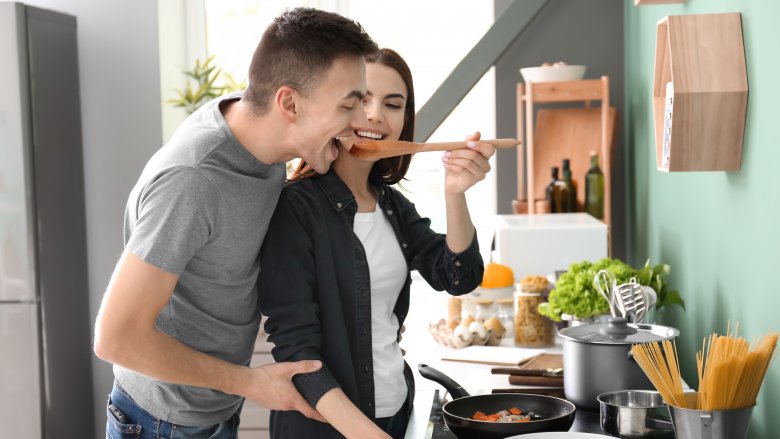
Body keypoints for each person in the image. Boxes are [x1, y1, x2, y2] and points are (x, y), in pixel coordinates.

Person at [93, 8, 378, 438]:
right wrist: (251, 383)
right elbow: (116, 338)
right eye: (348, 105)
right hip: (161, 423)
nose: (360, 122)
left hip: (211, 410)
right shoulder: (194, 181)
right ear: (289, 103)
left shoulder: (261, 135)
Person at [257, 48, 494, 439]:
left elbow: (459, 277)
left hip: (397, 413)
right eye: (362, 99)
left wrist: (455, 193)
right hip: (327, 429)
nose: (375, 115)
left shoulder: (391, 206)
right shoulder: (295, 208)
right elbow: (298, 353)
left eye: (392, 104)